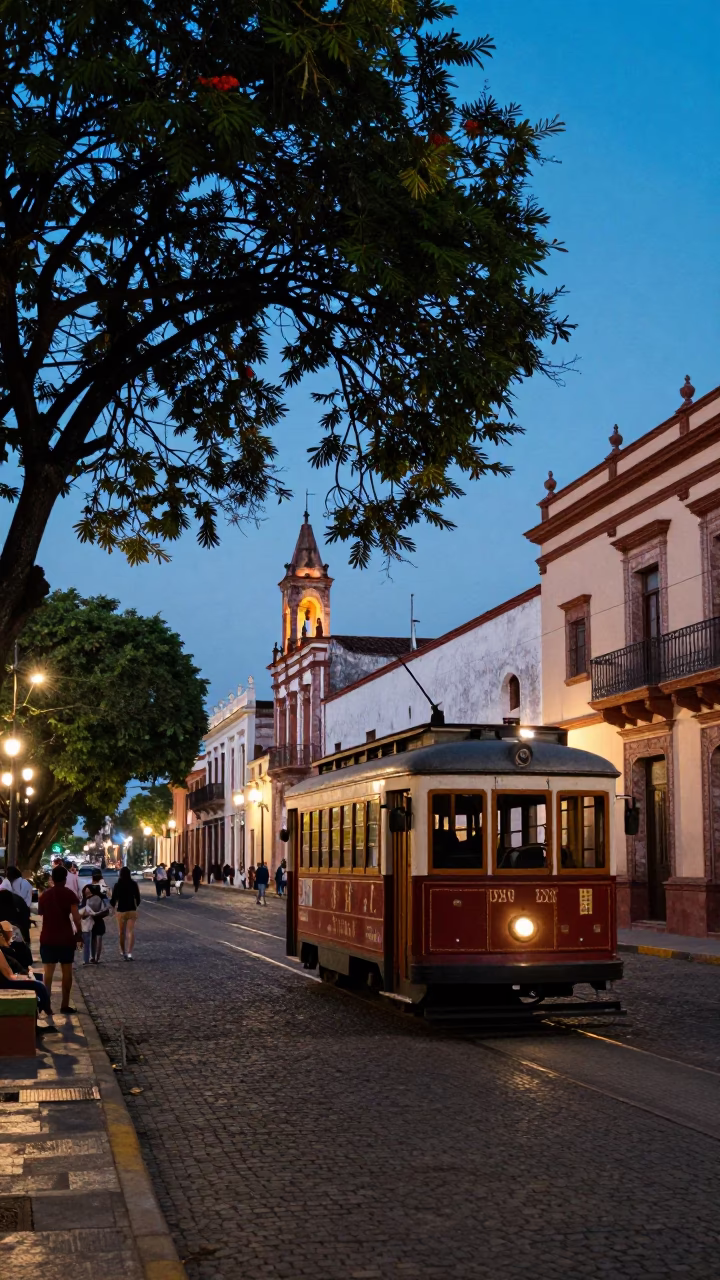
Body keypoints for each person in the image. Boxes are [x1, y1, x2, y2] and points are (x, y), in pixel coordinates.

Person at [38, 864, 83, 1014]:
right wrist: (79, 933)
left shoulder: (45, 895)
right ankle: (64, 1004)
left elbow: (41, 913)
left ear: (52, 878)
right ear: (64, 879)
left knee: (48, 975)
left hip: (48, 937)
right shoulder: (69, 894)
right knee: (67, 971)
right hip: (65, 938)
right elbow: (76, 917)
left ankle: (47, 1005)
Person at [0, 919, 55, 1030]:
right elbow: (8, 974)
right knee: (38, 985)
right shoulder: (3, 949)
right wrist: (21, 977)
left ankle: (41, 1010)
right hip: (6, 982)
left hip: (9, 977)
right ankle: (45, 1009)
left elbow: (24, 961)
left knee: (39, 979)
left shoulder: (9, 946)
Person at [111, 867, 141, 960]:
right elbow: (138, 898)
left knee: (122, 933)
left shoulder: (117, 885)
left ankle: (123, 951)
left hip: (121, 911)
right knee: (131, 931)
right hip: (132, 910)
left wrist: (113, 907)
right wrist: (136, 906)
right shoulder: (133, 884)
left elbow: (113, 899)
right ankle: (130, 953)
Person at [79, 887, 102, 965]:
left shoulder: (92, 899)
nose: (88, 894)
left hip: (89, 923)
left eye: (89, 892)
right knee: (87, 941)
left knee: (90, 941)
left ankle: (92, 958)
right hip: (86, 923)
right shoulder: (85, 900)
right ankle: (89, 959)